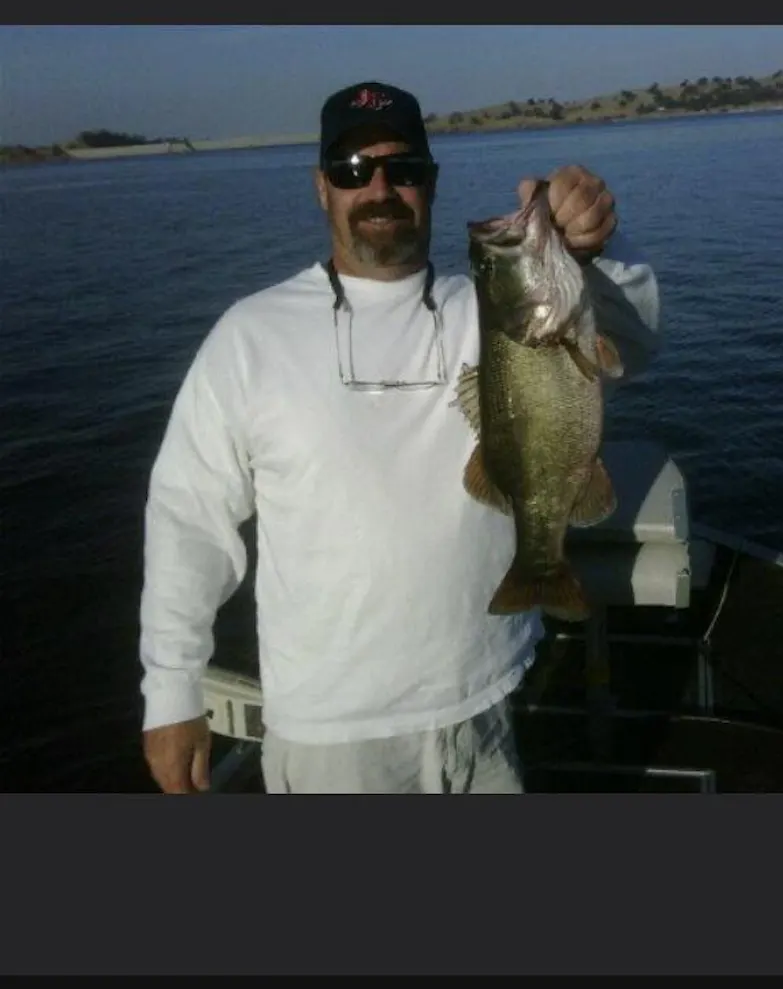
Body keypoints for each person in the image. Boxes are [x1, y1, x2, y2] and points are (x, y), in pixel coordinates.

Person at [139, 80, 661, 794]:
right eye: (353, 169)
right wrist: (171, 691)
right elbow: (187, 518)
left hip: (487, 701)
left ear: (431, 183)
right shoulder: (250, 336)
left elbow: (635, 338)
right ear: (323, 187)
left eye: (403, 168)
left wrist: (597, 246)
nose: (380, 188)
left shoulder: (493, 308)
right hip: (333, 736)